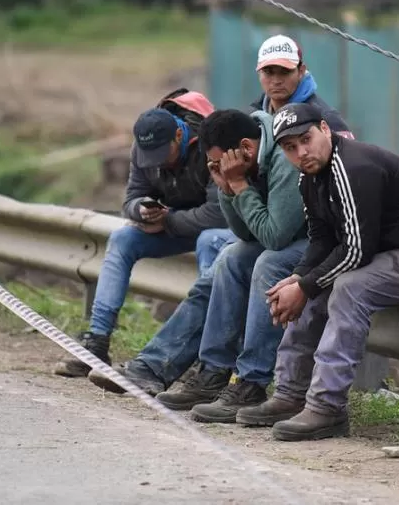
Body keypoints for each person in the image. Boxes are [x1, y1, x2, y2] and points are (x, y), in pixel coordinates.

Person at [235, 102, 399, 441]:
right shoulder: (310, 178)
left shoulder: (352, 167)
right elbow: (322, 239)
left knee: (347, 287)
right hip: (394, 250)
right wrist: (299, 278)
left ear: (325, 129)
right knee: (313, 287)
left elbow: (357, 250)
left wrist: (305, 285)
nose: (301, 152)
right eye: (290, 147)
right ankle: (290, 394)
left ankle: (327, 408)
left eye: (306, 139)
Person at [88, 108, 306, 400]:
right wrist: (227, 189)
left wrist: (239, 186)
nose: (217, 167)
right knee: (228, 259)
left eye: (219, 163)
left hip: (319, 243)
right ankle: (198, 372)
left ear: (245, 148)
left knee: (263, 263)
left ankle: (251, 382)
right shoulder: (243, 157)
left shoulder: (282, 159)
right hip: (282, 238)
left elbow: (274, 237)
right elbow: (244, 234)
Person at [54, 99, 227, 378]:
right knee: (123, 239)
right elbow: (131, 198)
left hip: (211, 229)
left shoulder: (211, 145)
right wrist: (142, 210)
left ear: (180, 136)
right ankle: (97, 342)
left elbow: (219, 214)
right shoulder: (143, 149)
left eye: (162, 153)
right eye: (150, 155)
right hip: (170, 225)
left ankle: (209, 361)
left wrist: (169, 220)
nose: (155, 161)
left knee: (210, 240)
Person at [194, 33, 354, 274]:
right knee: (215, 247)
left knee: (258, 261)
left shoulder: (323, 120)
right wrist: (228, 189)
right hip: (268, 221)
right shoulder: (254, 117)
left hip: (319, 230)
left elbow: (347, 179)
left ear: (301, 71)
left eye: (284, 72)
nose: (276, 80)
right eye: (269, 72)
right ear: (259, 74)